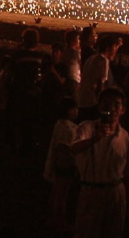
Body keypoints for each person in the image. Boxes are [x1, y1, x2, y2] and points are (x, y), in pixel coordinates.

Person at [71, 87, 129, 238]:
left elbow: (128, 172)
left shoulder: (124, 136)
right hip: (91, 191)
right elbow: (74, 148)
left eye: (116, 104)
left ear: (123, 110)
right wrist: (94, 140)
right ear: (99, 106)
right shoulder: (87, 127)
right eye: (106, 103)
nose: (111, 108)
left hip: (115, 192)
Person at [43, 97, 79, 233]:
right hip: (65, 167)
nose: (76, 111)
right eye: (73, 108)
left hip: (59, 166)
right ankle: (59, 222)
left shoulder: (59, 125)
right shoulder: (68, 129)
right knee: (62, 195)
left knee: (56, 194)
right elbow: (66, 148)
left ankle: (52, 219)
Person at [77, 34, 123, 121]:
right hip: (92, 104)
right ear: (108, 48)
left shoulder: (91, 58)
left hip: (82, 101)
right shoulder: (103, 61)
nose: (115, 52)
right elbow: (100, 85)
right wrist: (101, 105)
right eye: (114, 48)